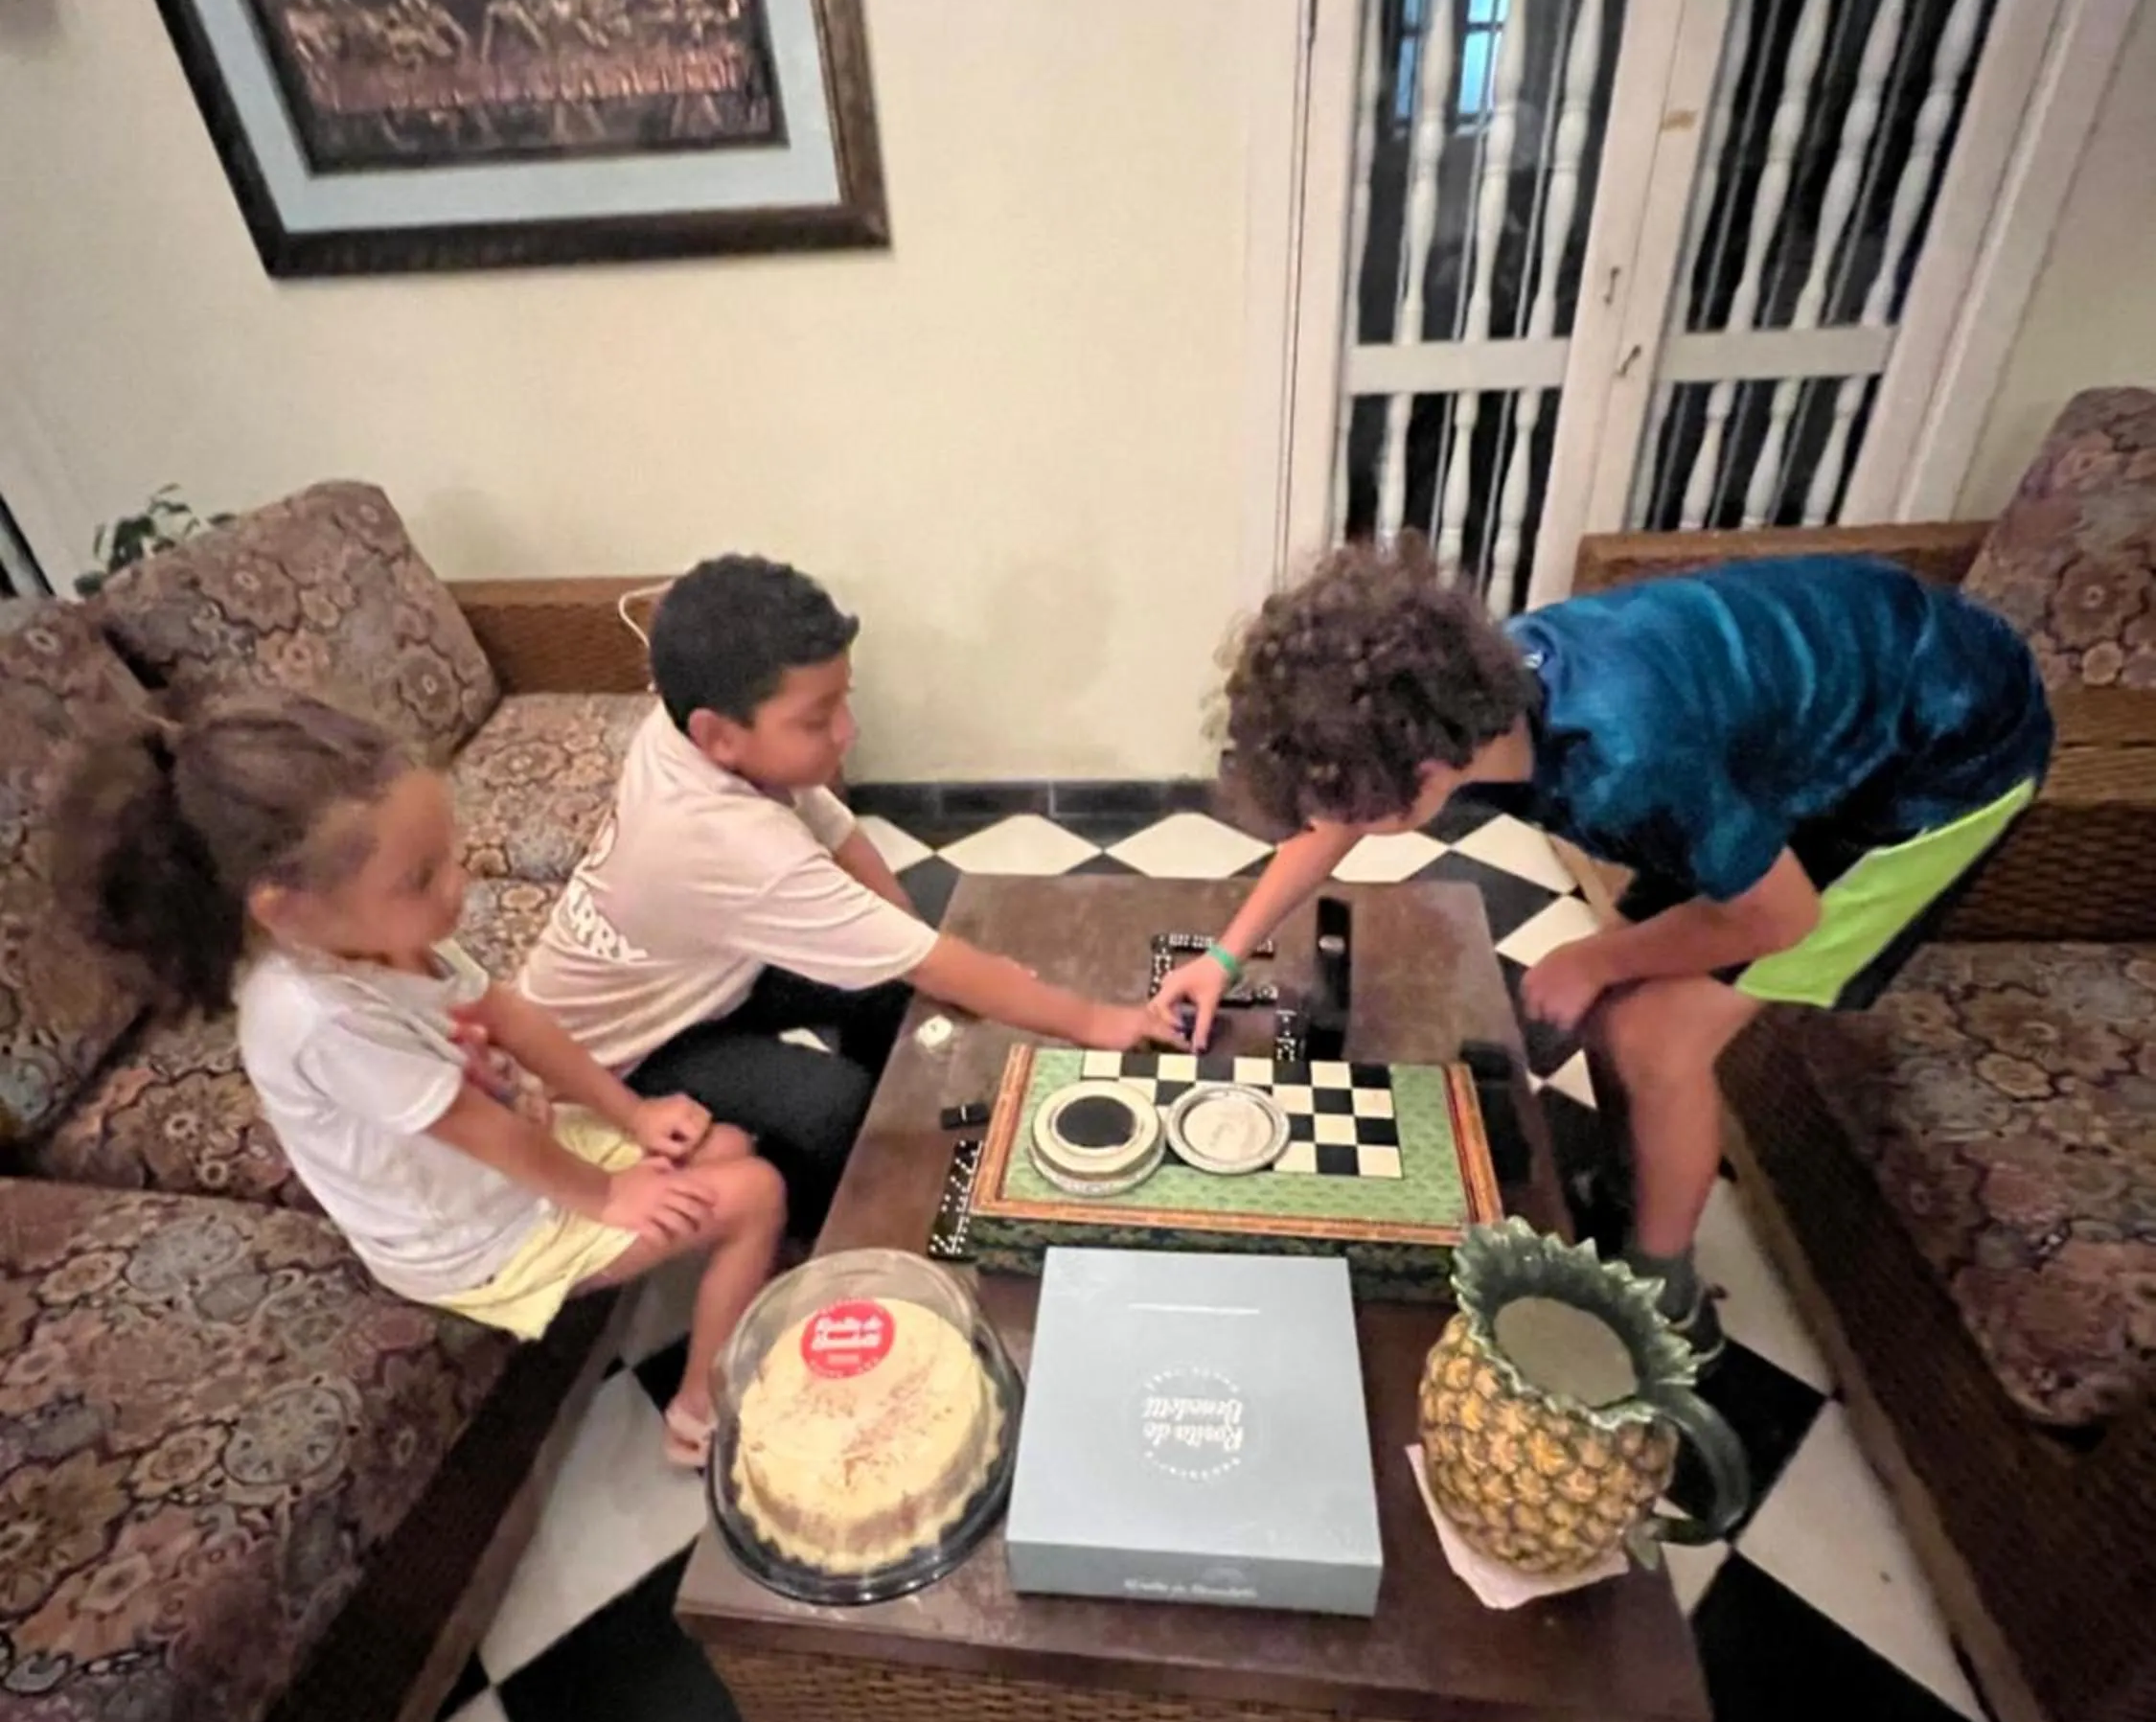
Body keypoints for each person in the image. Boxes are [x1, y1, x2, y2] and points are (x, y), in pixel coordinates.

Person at [1155, 542, 2054, 1365]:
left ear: (1426, 769)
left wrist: (1599, 961)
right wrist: (1228, 956)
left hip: (1946, 753)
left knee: (1655, 1038)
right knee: (1620, 1008)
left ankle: (1665, 1296)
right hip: (1840, 706)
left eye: (1353, 799)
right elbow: (1334, 819)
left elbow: (1779, 918)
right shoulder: (1461, 693)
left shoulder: (1626, 764)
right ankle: (1639, 1177)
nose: (1337, 817)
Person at [60, 697, 784, 1466]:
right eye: (421, 877)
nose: (458, 886)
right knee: (754, 1192)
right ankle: (699, 1416)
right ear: (287, 911)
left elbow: (511, 1017)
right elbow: (483, 1130)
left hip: (514, 1157)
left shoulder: (383, 939)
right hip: (473, 1235)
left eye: (450, 853)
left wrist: (632, 1114)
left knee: (724, 1144)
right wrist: (610, 1195)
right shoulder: (314, 1017)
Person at [517, 555, 1175, 1234]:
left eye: (843, 699)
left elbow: (838, 836)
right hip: (621, 1056)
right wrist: (1099, 1022)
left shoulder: (682, 729)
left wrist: (921, 947)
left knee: (898, 978)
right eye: (817, 719)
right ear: (720, 735)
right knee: (832, 1104)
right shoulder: (729, 845)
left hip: (697, 969)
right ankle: (825, 1226)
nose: (847, 732)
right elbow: (927, 958)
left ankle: (889, 1110)